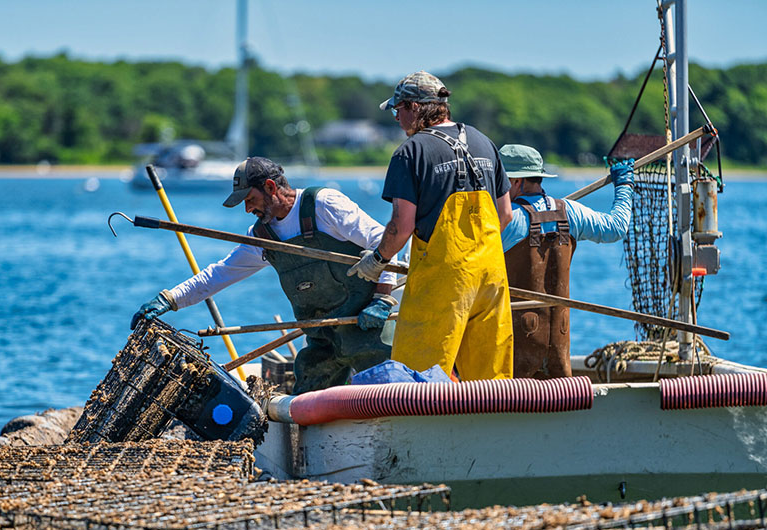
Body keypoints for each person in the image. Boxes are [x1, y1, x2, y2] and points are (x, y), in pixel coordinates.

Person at [131, 157, 396, 394]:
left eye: (250, 200)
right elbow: (218, 274)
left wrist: (382, 300)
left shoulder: (323, 205)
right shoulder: (262, 237)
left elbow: (385, 241)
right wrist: (169, 299)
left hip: (368, 326)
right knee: (306, 396)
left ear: (270, 187)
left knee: (387, 391)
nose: (248, 209)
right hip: (322, 337)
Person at [348, 71, 514, 381]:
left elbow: (401, 225)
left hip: (443, 280)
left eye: (399, 110)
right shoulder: (484, 141)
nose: (397, 118)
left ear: (414, 107)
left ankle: (422, 431)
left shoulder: (410, 152)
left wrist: (378, 260)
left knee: (419, 377)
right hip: (491, 277)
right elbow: (505, 215)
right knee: (490, 378)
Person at [499, 143, 635, 379]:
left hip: (515, 349)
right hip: (559, 344)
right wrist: (624, 186)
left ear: (515, 182)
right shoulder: (571, 212)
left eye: (499, 182)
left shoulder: (504, 220)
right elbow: (616, 227)